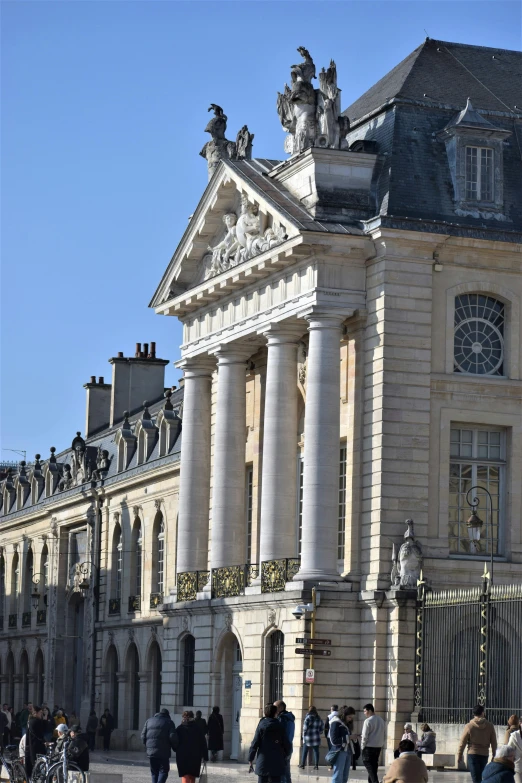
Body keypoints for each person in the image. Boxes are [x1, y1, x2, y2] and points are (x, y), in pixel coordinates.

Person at [249, 703, 291, 783]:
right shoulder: (280, 726)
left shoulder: (261, 725)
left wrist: (250, 758)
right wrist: (285, 756)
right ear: (276, 713)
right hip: (277, 761)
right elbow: (287, 744)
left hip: (263, 761)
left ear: (265, 713)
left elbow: (255, 743)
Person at [457, 704, 497, 783]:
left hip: (473, 753)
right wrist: (494, 755)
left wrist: (459, 754)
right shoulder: (490, 726)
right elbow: (494, 742)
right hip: (484, 754)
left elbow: (463, 742)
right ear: (482, 713)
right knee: (481, 776)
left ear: (474, 714)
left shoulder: (469, 726)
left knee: (475, 777)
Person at [141, 707, 178, 783]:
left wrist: (148, 746)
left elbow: (142, 736)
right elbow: (172, 737)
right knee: (163, 771)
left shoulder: (149, 721)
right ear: (167, 715)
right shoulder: (169, 722)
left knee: (154, 773)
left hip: (151, 753)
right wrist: (175, 747)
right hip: (163, 753)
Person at [175, 710, 208, 783]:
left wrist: (176, 749)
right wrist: (205, 756)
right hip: (195, 756)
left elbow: (174, 741)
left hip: (182, 755)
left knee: (185, 775)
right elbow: (203, 743)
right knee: (192, 776)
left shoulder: (179, 729)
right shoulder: (197, 729)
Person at [361, 704, 385, 783]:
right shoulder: (381, 720)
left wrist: (362, 746)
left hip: (369, 747)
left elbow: (364, 736)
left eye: (365, 711)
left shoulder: (368, 721)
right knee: (373, 767)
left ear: (369, 710)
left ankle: (375, 781)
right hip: (378, 746)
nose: (364, 713)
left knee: (369, 765)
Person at [275, 700, 295, 783]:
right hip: (289, 747)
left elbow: (280, 734)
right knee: (286, 772)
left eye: (275, 707)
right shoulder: (289, 717)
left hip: (282, 748)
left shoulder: (282, 718)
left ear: (280, 707)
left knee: (282, 773)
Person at [299, 705, 324, 770]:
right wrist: (319, 732)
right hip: (316, 737)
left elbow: (305, 728)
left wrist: (303, 735)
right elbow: (322, 728)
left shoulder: (308, 718)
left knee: (305, 751)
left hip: (308, 737)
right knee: (316, 751)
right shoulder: (319, 718)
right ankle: (316, 765)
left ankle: (302, 764)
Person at [25, 705, 47, 777]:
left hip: (34, 745)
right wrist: (45, 719)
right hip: (35, 746)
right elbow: (42, 731)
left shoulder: (33, 721)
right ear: (36, 713)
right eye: (40, 713)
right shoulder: (34, 722)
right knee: (35, 763)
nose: (41, 714)